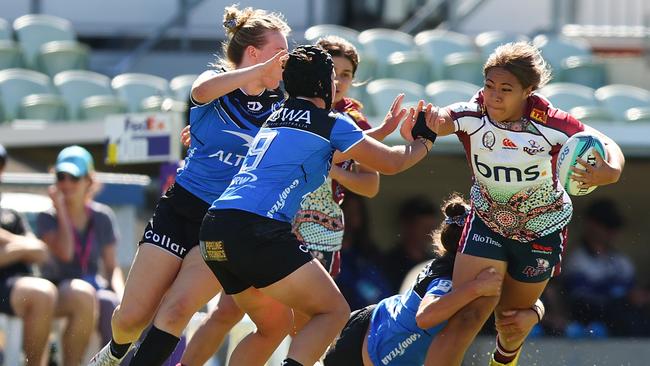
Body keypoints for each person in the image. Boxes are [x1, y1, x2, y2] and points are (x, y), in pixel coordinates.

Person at [199, 44, 441, 366]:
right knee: (334, 312)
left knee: (272, 327)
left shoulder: (275, 117)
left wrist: (379, 132)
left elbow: (326, 155)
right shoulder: (331, 122)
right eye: (333, 77)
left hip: (215, 229)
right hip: (257, 229)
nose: (337, 84)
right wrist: (425, 139)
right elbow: (393, 164)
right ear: (323, 84)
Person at [88, 5, 294, 366]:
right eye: (280, 53)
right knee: (130, 319)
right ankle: (114, 353)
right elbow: (200, 91)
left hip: (223, 221)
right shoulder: (214, 85)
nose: (284, 62)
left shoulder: (281, 106)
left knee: (177, 309)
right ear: (254, 53)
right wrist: (257, 72)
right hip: (179, 207)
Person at [396, 41, 625, 366]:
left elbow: (606, 143)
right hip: (487, 222)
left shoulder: (550, 122)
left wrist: (610, 171)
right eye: (489, 86)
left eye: (506, 88)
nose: (494, 96)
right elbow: (444, 119)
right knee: (466, 314)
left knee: (512, 321)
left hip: (541, 232)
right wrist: (426, 121)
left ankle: (516, 339)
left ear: (527, 91)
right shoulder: (474, 113)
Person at [323, 193, 544, 366]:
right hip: (363, 342)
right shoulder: (448, 273)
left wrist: (535, 313)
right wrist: (476, 288)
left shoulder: (485, 274)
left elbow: (525, 298)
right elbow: (426, 316)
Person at [36, 145, 124, 365]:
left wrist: (124, 299)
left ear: (88, 181)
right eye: (61, 177)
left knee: (110, 302)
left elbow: (112, 268)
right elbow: (65, 253)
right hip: (56, 290)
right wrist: (63, 211)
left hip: (92, 287)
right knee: (84, 295)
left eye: (73, 177)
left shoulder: (103, 216)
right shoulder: (47, 217)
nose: (66, 184)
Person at [0, 144, 58, 366]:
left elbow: (41, 252)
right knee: (42, 293)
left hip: (17, 284)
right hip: (8, 287)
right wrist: (23, 247)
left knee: (47, 293)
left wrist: (7, 242)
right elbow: (31, 247)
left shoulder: (10, 213)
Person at [563, 198, 650, 337]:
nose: (611, 232)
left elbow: (634, 291)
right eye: (607, 225)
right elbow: (579, 300)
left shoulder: (622, 261)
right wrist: (623, 299)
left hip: (625, 318)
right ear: (590, 224)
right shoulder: (577, 259)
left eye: (614, 227)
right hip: (591, 320)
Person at [382, 195, 438, 293]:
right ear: (406, 225)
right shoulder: (387, 263)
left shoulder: (435, 263)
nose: (430, 234)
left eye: (432, 228)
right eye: (424, 228)